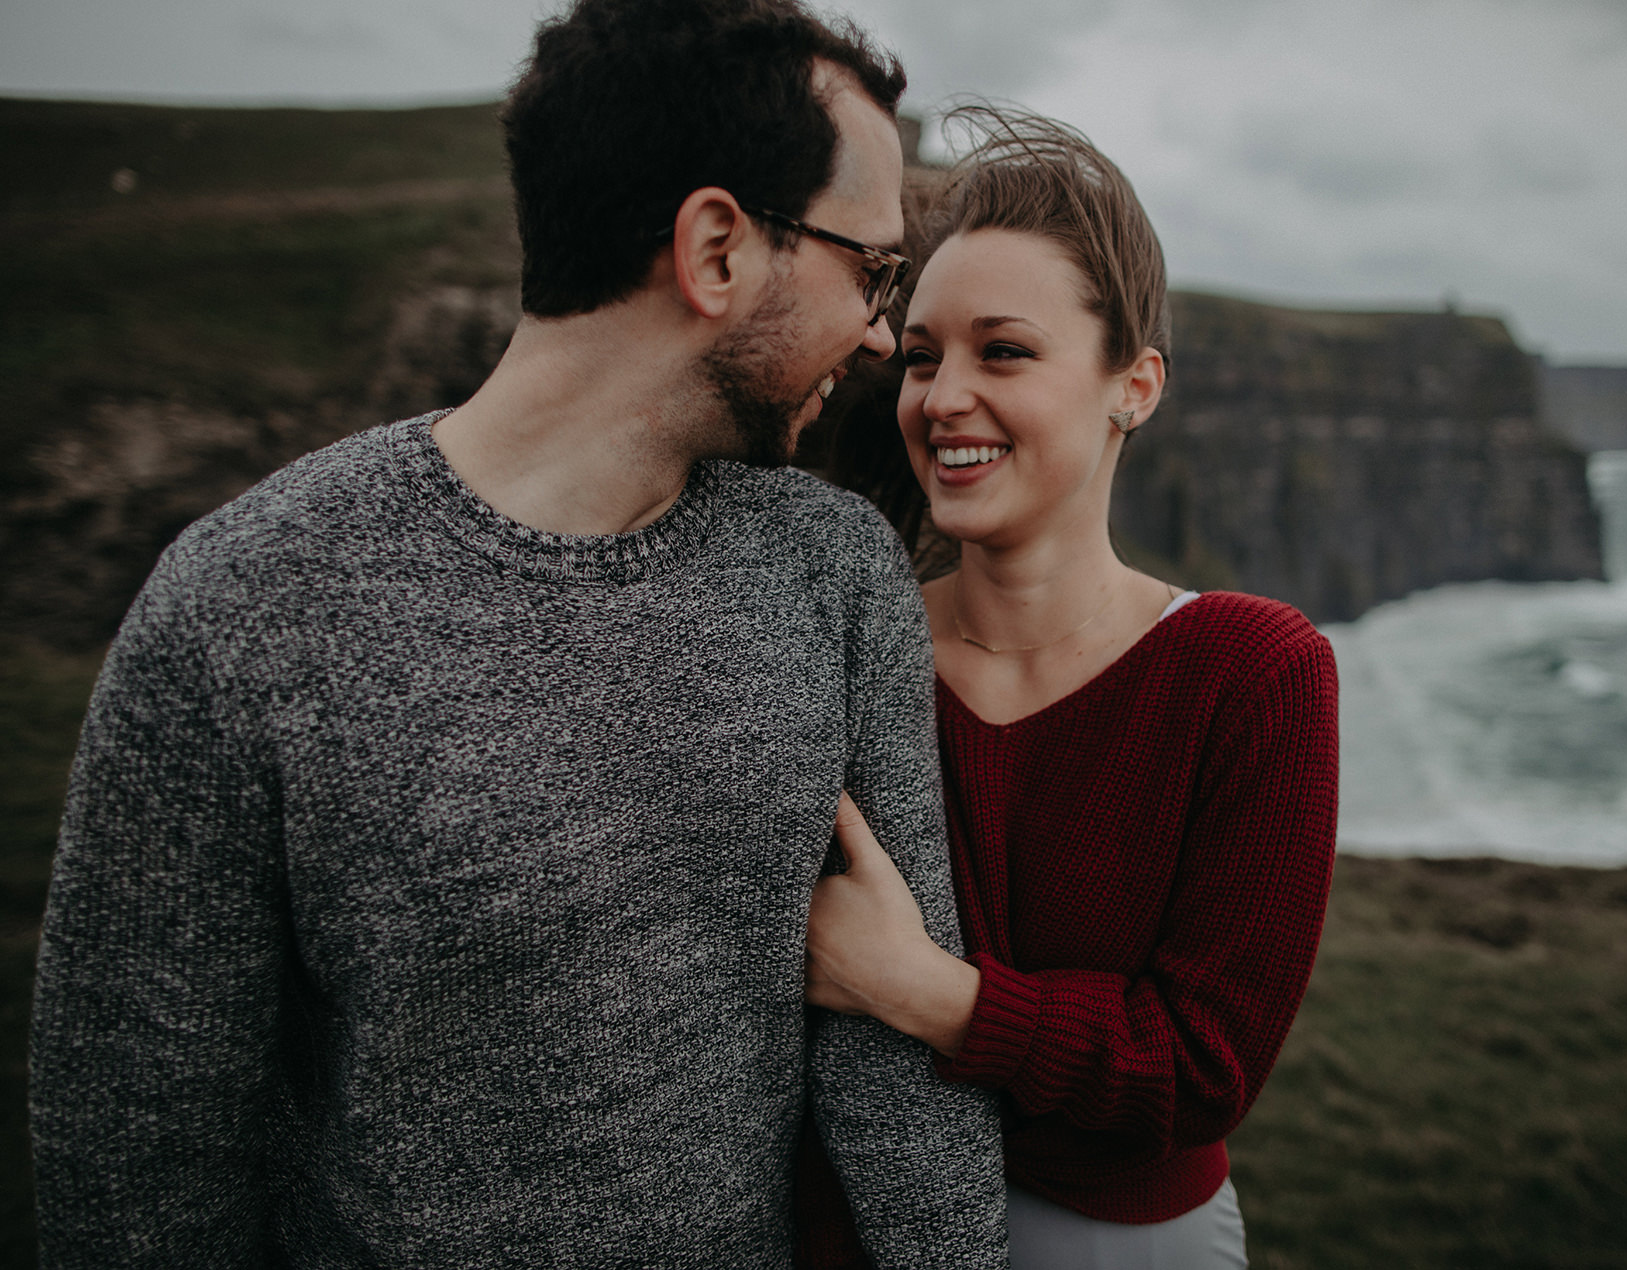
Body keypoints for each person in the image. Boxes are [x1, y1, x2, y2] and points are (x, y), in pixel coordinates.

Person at [29, 2, 1005, 1265]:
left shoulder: (833, 570)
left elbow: (891, 1057)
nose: (882, 332)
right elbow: (140, 1162)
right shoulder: (242, 607)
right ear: (717, 249)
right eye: (871, 272)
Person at [800, 109, 1339, 1268]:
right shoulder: (848, 653)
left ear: (1132, 386)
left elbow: (1202, 1069)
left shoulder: (1251, 671)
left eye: (1004, 352)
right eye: (926, 352)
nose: (943, 397)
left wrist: (926, 990)